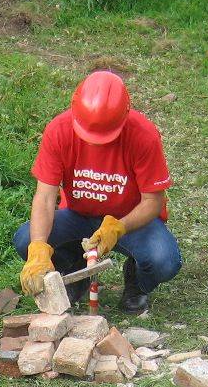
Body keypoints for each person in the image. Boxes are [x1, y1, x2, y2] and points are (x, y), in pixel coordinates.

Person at [14, 70, 183, 315]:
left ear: (124, 116)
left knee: (164, 261)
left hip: (130, 222)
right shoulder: (58, 131)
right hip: (77, 216)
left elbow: (152, 202)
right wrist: (39, 247)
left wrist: (118, 227)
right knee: (25, 240)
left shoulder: (143, 135)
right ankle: (74, 270)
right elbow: (45, 196)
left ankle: (136, 280)